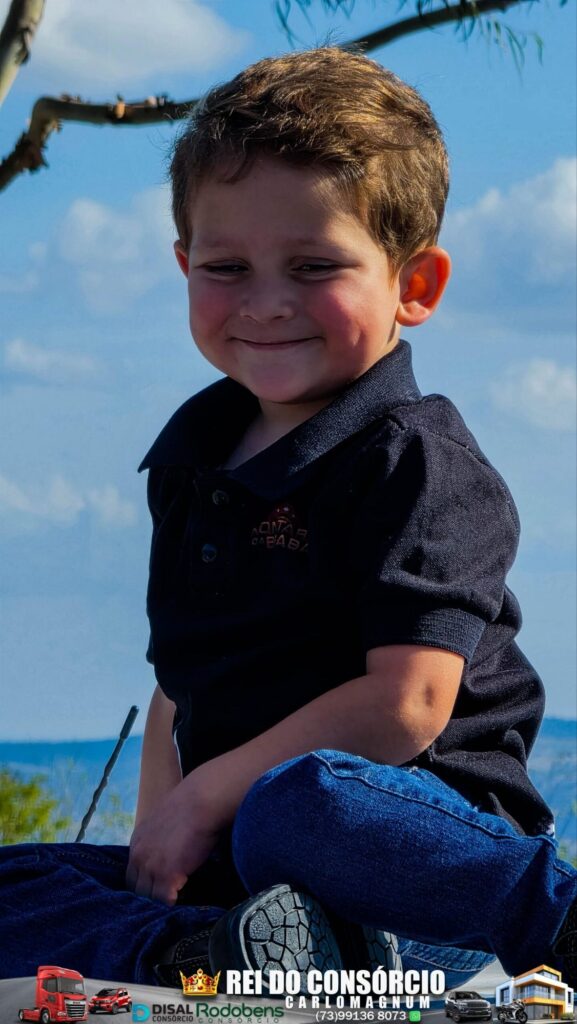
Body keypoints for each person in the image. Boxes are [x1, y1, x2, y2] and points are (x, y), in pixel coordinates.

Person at [1, 46, 576, 993]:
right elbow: (179, 688)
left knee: (297, 802)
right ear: (183, 265)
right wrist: (164, 843)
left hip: (413, 870)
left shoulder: (416, 459)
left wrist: (209, 800)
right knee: (17, 880)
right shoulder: (191, 463)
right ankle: (201, 953)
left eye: (313, 266)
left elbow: (407, 705)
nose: (266, 304)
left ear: (414, 286)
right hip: (253, 884)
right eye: (226, 267)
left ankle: (558, 916)